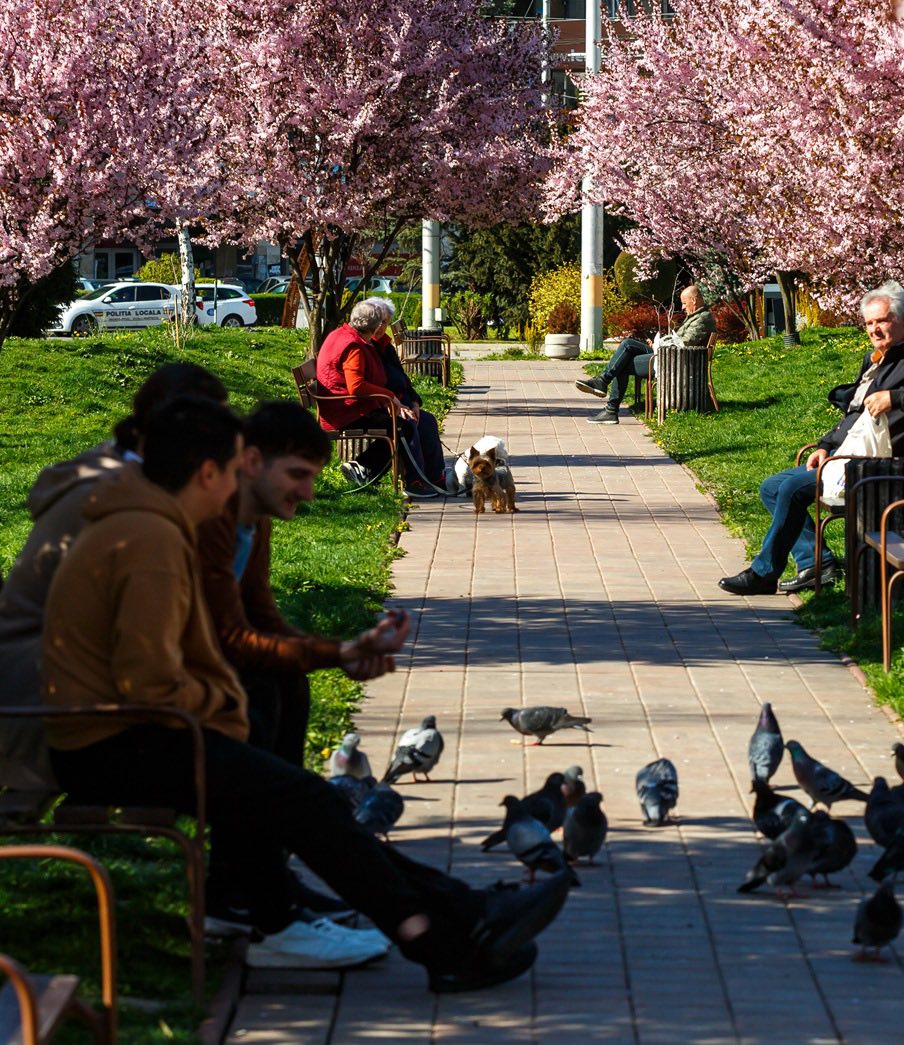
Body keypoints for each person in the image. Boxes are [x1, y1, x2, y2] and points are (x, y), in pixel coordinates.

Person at [44, 395, 570, 983]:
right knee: (297, 794)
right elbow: (152, 676)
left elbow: (198, 651)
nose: (236, 492)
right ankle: (440, 933)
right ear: (212, 470)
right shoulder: (152, 539)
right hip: (107, 745)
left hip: (132, 729)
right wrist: (229, 715)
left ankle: (449, 918)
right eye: (233, 471)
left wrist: (265, 690)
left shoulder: (156, 525)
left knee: (288, 761)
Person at [195, 400, 414, 917]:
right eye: (297, 474)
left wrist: (338, 654)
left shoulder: (252, 516)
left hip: (190, 678)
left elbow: (261, 618)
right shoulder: (213, 519)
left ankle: (259, 880)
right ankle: (249, 890)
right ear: (250, 461)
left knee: (284, 684)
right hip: (127, 718)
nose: (309, 491)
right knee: (261, 693)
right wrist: (337, 651)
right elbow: (229, 638)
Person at [0, 362, 228, 791]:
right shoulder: (121, 497)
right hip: (45, 716)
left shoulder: (117, 471)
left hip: (41, 690)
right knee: (250, 706)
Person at [718, 281, 904, 595]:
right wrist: (826, 445)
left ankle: (765, 573)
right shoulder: (877, 361)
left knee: (792, 488)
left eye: (881, 321)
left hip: (878, 469)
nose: (874, 329)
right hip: (851, 458)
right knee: (773, 487)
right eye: (869, 323)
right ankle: (815, 563)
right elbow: (854, 417)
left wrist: (896, 398)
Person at [317, 297, 447, 496]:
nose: (383, 327)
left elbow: (391, 379)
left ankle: (435, 477)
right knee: (404, 426)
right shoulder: (355, 346)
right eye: (382, 322)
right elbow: (356, 386)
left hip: (353, 405)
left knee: (425, 420)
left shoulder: (348, 336)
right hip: (347, 410)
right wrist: (390, 398)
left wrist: (409, 401)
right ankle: (414, 482)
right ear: (375, 324)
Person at [578, 284, 715, 425]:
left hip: (673, 362)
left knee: (622, 364)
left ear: (694, 300)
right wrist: (659, 342)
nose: (683, 307)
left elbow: (685, 343)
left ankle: (610, 406)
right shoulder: (697, 316)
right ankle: (603, 385)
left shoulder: (702, 318)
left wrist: (663, 342)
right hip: (670, 355)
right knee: (628, 344)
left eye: (684, 303)